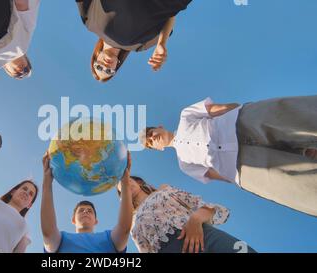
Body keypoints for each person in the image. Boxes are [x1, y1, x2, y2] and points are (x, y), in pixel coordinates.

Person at [140, 95, 317, 216]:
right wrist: (240, 177)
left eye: (151, 132)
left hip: (243, 123)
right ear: (157, 149)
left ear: (160, 127)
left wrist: (243, 113)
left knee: (296, 117)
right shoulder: (184, 164)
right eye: (150, 143)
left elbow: (221, 109)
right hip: (243, 166)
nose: (153, 138)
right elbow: (215, 174)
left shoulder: (185, 115)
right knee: (298, 184)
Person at [117, 176, 256, 253]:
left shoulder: (163, 189)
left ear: (138, 182)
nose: (127, 185)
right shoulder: (131, 223)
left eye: (128, 180)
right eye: (122, 187)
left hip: (201, 234)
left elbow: (199, 204)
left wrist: (196, 219)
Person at [75, 0, 192, 82]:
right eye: (109, 71)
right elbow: (169, 17)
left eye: (99, 67)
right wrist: (161, 43)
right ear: (117, 66)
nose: (106, 66)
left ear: (96, 56)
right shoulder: (140, 47)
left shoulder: (90, 22)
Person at [41, 152, 133, 253]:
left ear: (96, 221)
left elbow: (124, 229)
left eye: (90, 211)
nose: (85, 212)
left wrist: (125, 183)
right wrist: (47, 183)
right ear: (73, 220)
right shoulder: (61, 239)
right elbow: (48, 233)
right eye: (81, 210)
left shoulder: (109, 238)